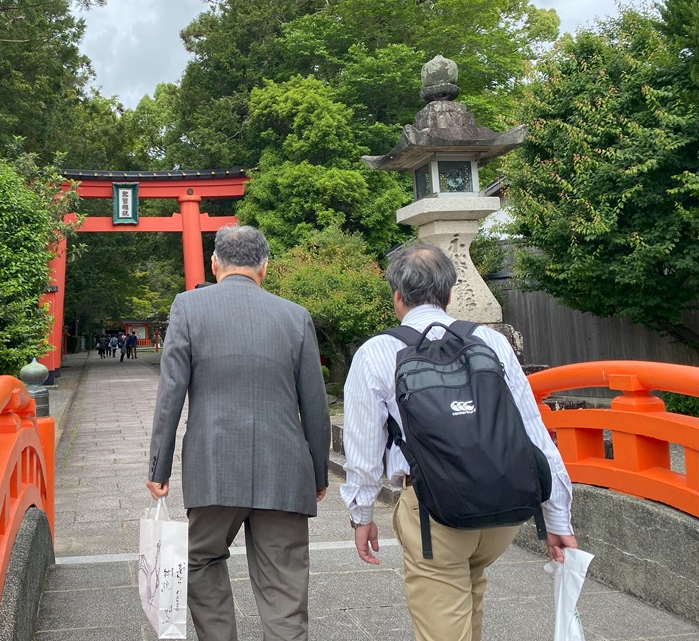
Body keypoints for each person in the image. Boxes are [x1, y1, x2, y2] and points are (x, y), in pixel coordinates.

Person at [341, 243, 577, 641]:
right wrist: (557, 517)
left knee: (443, 627)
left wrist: (362, 514)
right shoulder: (490, 341)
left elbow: (363, 450)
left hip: (435, 514)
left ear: (397, 295)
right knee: (469, 598)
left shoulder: (378, 352)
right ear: (449, 294)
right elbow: (533, 433)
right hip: (502, 509)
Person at [147, 224, 331, 641]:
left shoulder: (188, 308)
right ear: (265, 266)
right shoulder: (295, 316)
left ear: (214, 263)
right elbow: (316, 407)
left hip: (213, 466)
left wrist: (159, 466)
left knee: (198, 559)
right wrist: (318, 473)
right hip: (284, 468)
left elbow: (171, 393)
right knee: (284, 577)